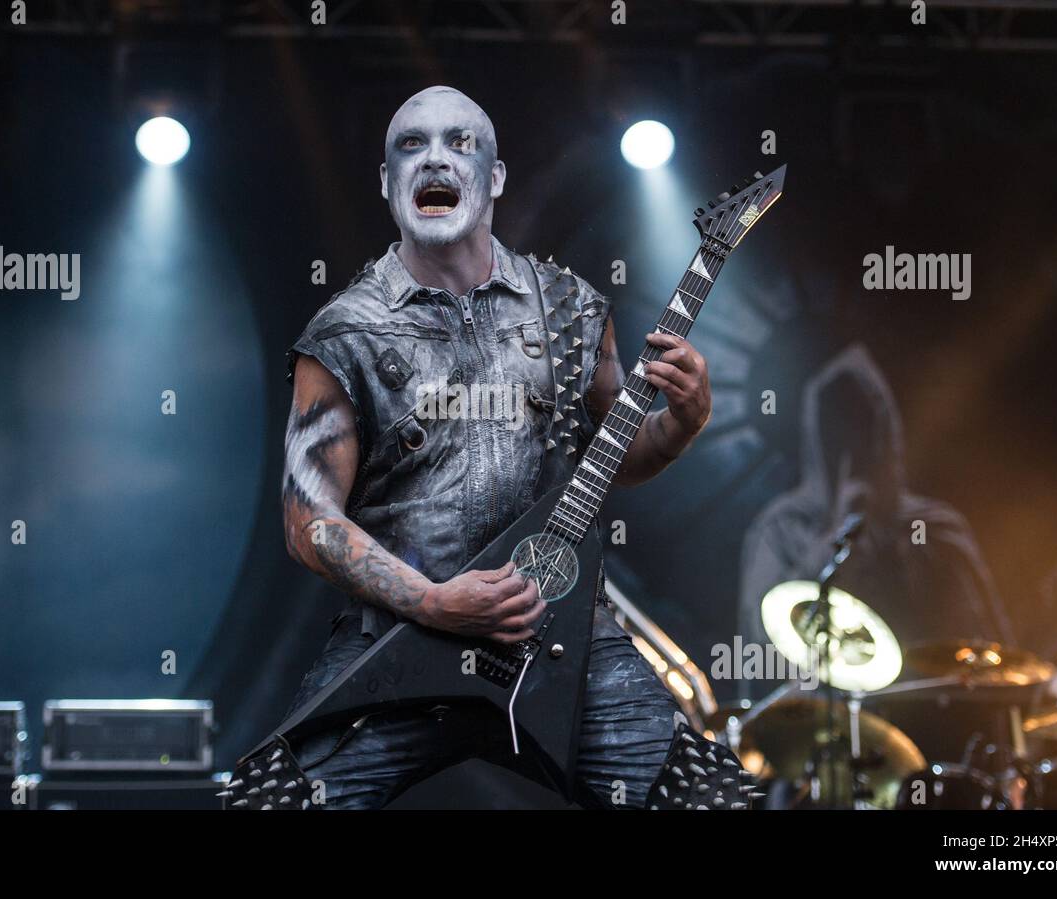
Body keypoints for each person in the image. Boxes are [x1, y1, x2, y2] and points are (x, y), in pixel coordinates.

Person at [231, 86, 747, 810]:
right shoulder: (343, 334)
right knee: (265, 803)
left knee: (711, 800)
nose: (434, 158)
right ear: (386, 183)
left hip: (564, 638)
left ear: (495, 177)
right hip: (397, 640)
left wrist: (683, 421)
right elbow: (308, 520)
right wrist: (436, 602)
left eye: (459, 141)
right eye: (410, 144)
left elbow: (613, 461)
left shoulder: (570, 308)